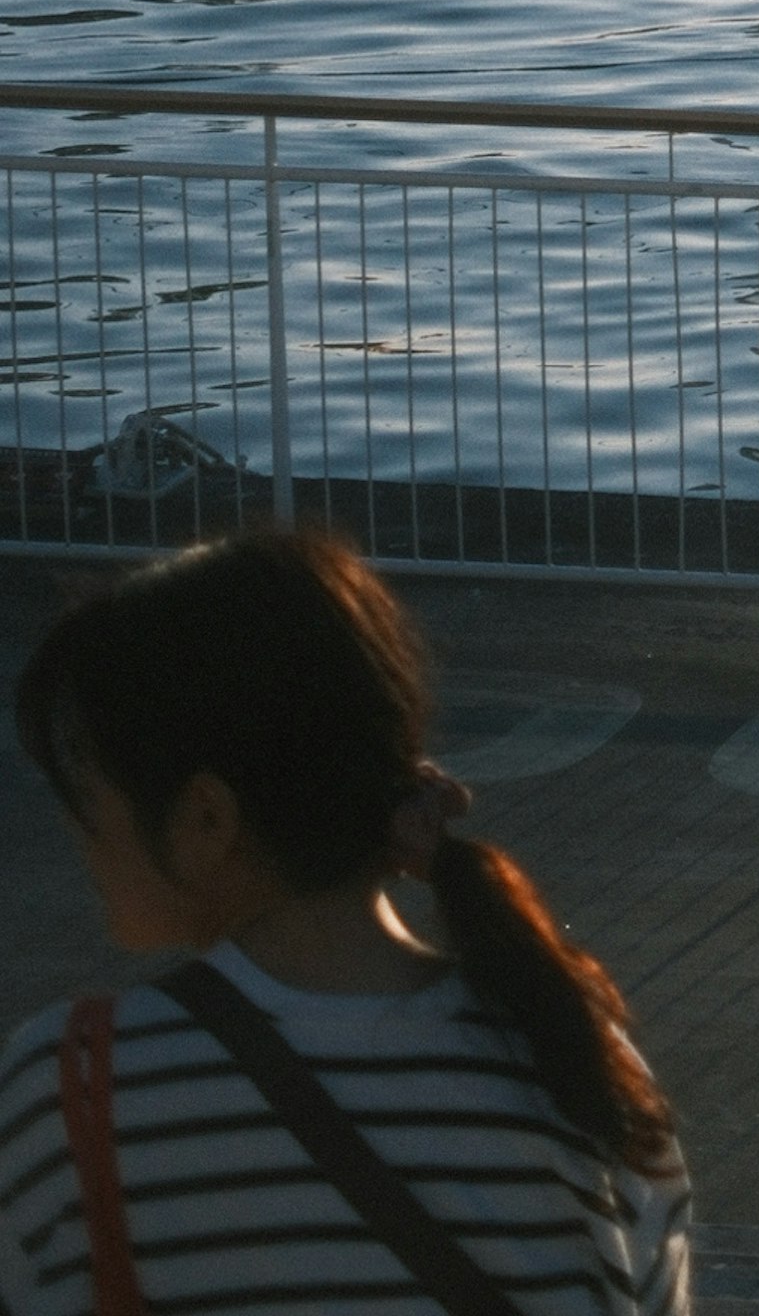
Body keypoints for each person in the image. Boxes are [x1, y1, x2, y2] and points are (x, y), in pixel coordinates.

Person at [0, 527, 689, 1311]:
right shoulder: (585, 1062)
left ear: (206, 819)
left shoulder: (75, 1089)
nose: (74, 829)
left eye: (88, 794)